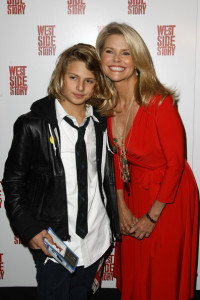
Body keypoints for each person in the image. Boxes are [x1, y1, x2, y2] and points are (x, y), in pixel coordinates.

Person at [2, 43, 121, 300]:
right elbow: (13, 183)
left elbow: (104, 179)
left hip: (95, 237)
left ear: (97, 84)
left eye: (89, 80)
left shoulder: (101, 123)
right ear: (60, 77)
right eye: (73, 78)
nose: (80, 87)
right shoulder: (32, 124)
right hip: (54, 243)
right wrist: (30, 229)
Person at [96, 22, 199, 300]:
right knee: (138, 271)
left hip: (169, 196)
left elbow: (176, 164)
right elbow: (116, 158)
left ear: (138, 59)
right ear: (101, 58)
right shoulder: (106, 104)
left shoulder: (159, 102)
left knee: (161, 271)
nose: (117, 60)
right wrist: (121, 205)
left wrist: (153, 216)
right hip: (133, 193)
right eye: (109, 51)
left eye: (126, 53)